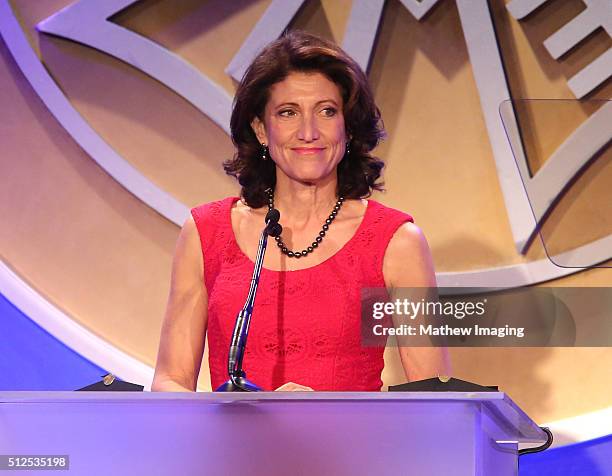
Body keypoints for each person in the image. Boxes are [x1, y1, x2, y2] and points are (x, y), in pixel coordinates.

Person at [152, 30, 450, 392]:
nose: (308, 132)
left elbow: (435, 396)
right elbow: (170, 380)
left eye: (326, 111)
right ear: (261, 129)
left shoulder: (397, 242)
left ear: (348, 128)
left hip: (352, 448)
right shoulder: (205, 232)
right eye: (288, 113)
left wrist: (316, 415)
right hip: (233, 448)